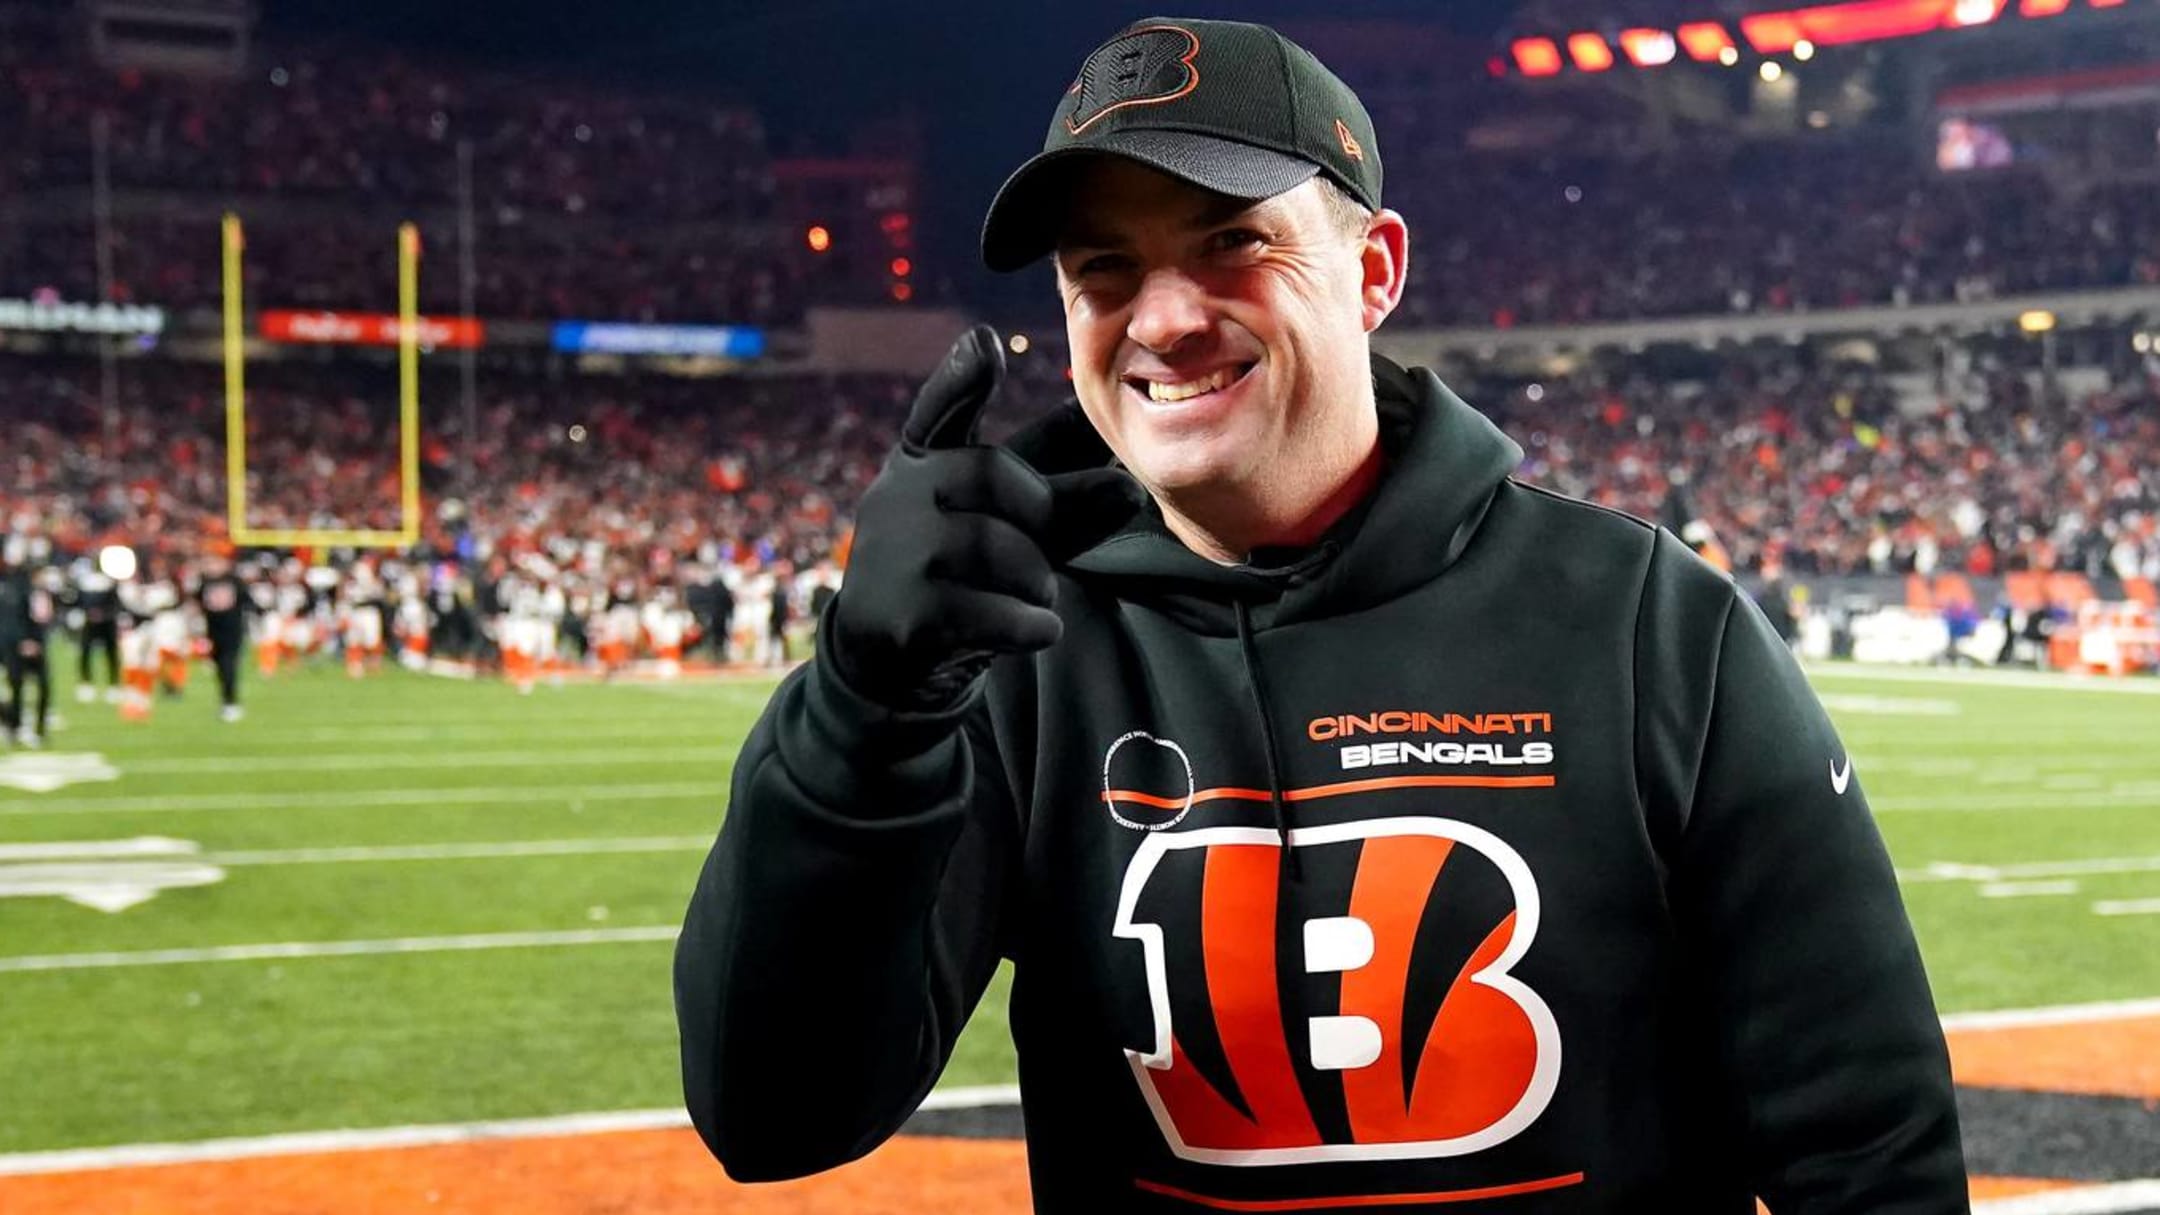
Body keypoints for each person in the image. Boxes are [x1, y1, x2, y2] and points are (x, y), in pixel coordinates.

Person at [675, 18, 1965, 1213]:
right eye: (1103, 269)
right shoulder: (1013, 648)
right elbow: (775, 1117)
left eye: (1231, 240)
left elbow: (1865, 1147)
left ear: (1374, 270)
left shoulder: (1649, 622)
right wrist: (862, 706)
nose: (1166, 319)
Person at [194, 548, 251, 723]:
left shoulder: (235, 581)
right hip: (214, 632)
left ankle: (231, 703)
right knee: (219, 668)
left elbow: (246, 601)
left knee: (228, 666)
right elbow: (199, 604)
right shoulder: (204, 582)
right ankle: (226, 702)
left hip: (232, 630)